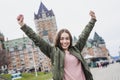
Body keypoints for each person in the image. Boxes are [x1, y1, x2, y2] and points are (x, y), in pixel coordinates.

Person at [17, 10, 97, 80]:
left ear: (70, 40)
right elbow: (37, 39)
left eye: (67, 38)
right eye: (62, 39)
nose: (64, 41)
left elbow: (84, 35)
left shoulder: (76, 49)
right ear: (58, 40)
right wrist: (23, 25)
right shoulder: (53, 52)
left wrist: (92, 20)